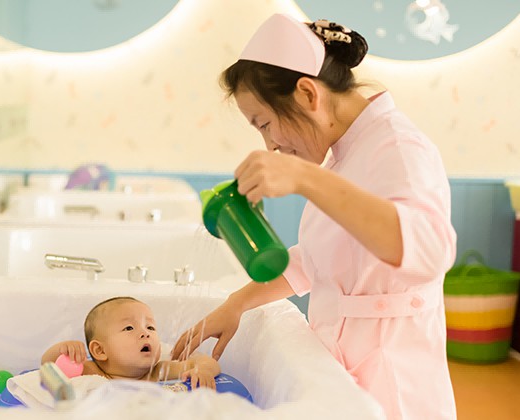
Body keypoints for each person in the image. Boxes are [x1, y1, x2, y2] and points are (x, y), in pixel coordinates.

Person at [171, 13, 457, 419]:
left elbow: (428, 252)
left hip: (392, 377)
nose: (269, 145)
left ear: (308, 94)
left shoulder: (399, 147)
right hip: (339, 366)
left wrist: (305, 178)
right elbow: (319, 260)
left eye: (265, 124)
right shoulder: (346, 153)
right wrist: (237, 303)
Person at [42, 296, 220, 389]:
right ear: (100, 350)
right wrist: (64, 349)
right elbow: (47, 368)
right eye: (129, 328)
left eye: (150, 327)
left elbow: (207, 362)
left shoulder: (159, 371)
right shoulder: (90, 372)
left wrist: (203, 370)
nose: (145, 333)